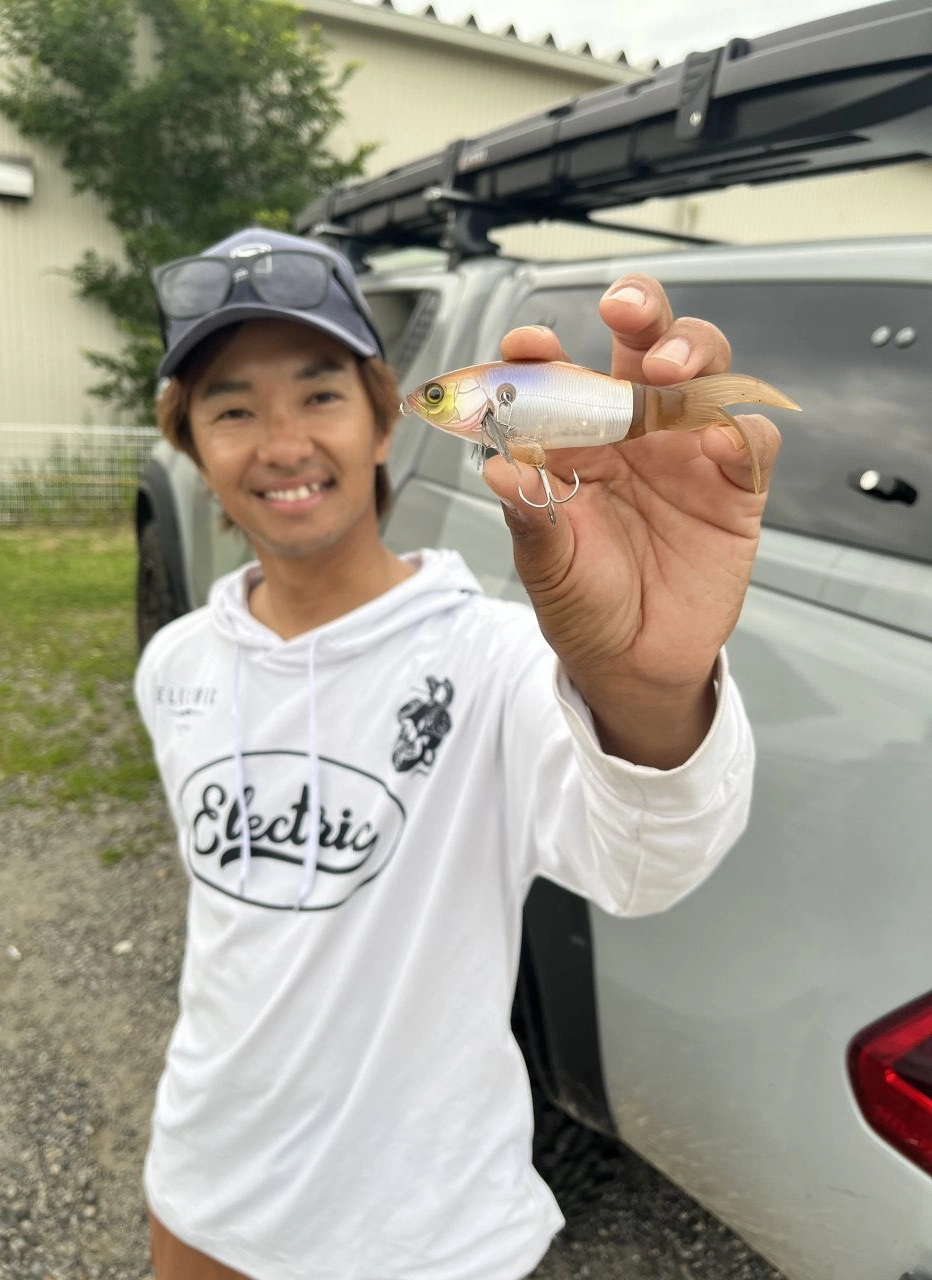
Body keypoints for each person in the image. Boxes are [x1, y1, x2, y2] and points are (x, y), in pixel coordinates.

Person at [135, 226, 779, 1280]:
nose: (283, 442)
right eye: (232, 407)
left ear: (383, 421)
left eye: (319, 393)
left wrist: (648, 687)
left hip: (431, 1234)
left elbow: (645, 864)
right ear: (193, 447)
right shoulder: (174, 665)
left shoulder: (499, 658)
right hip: (202, 1194)